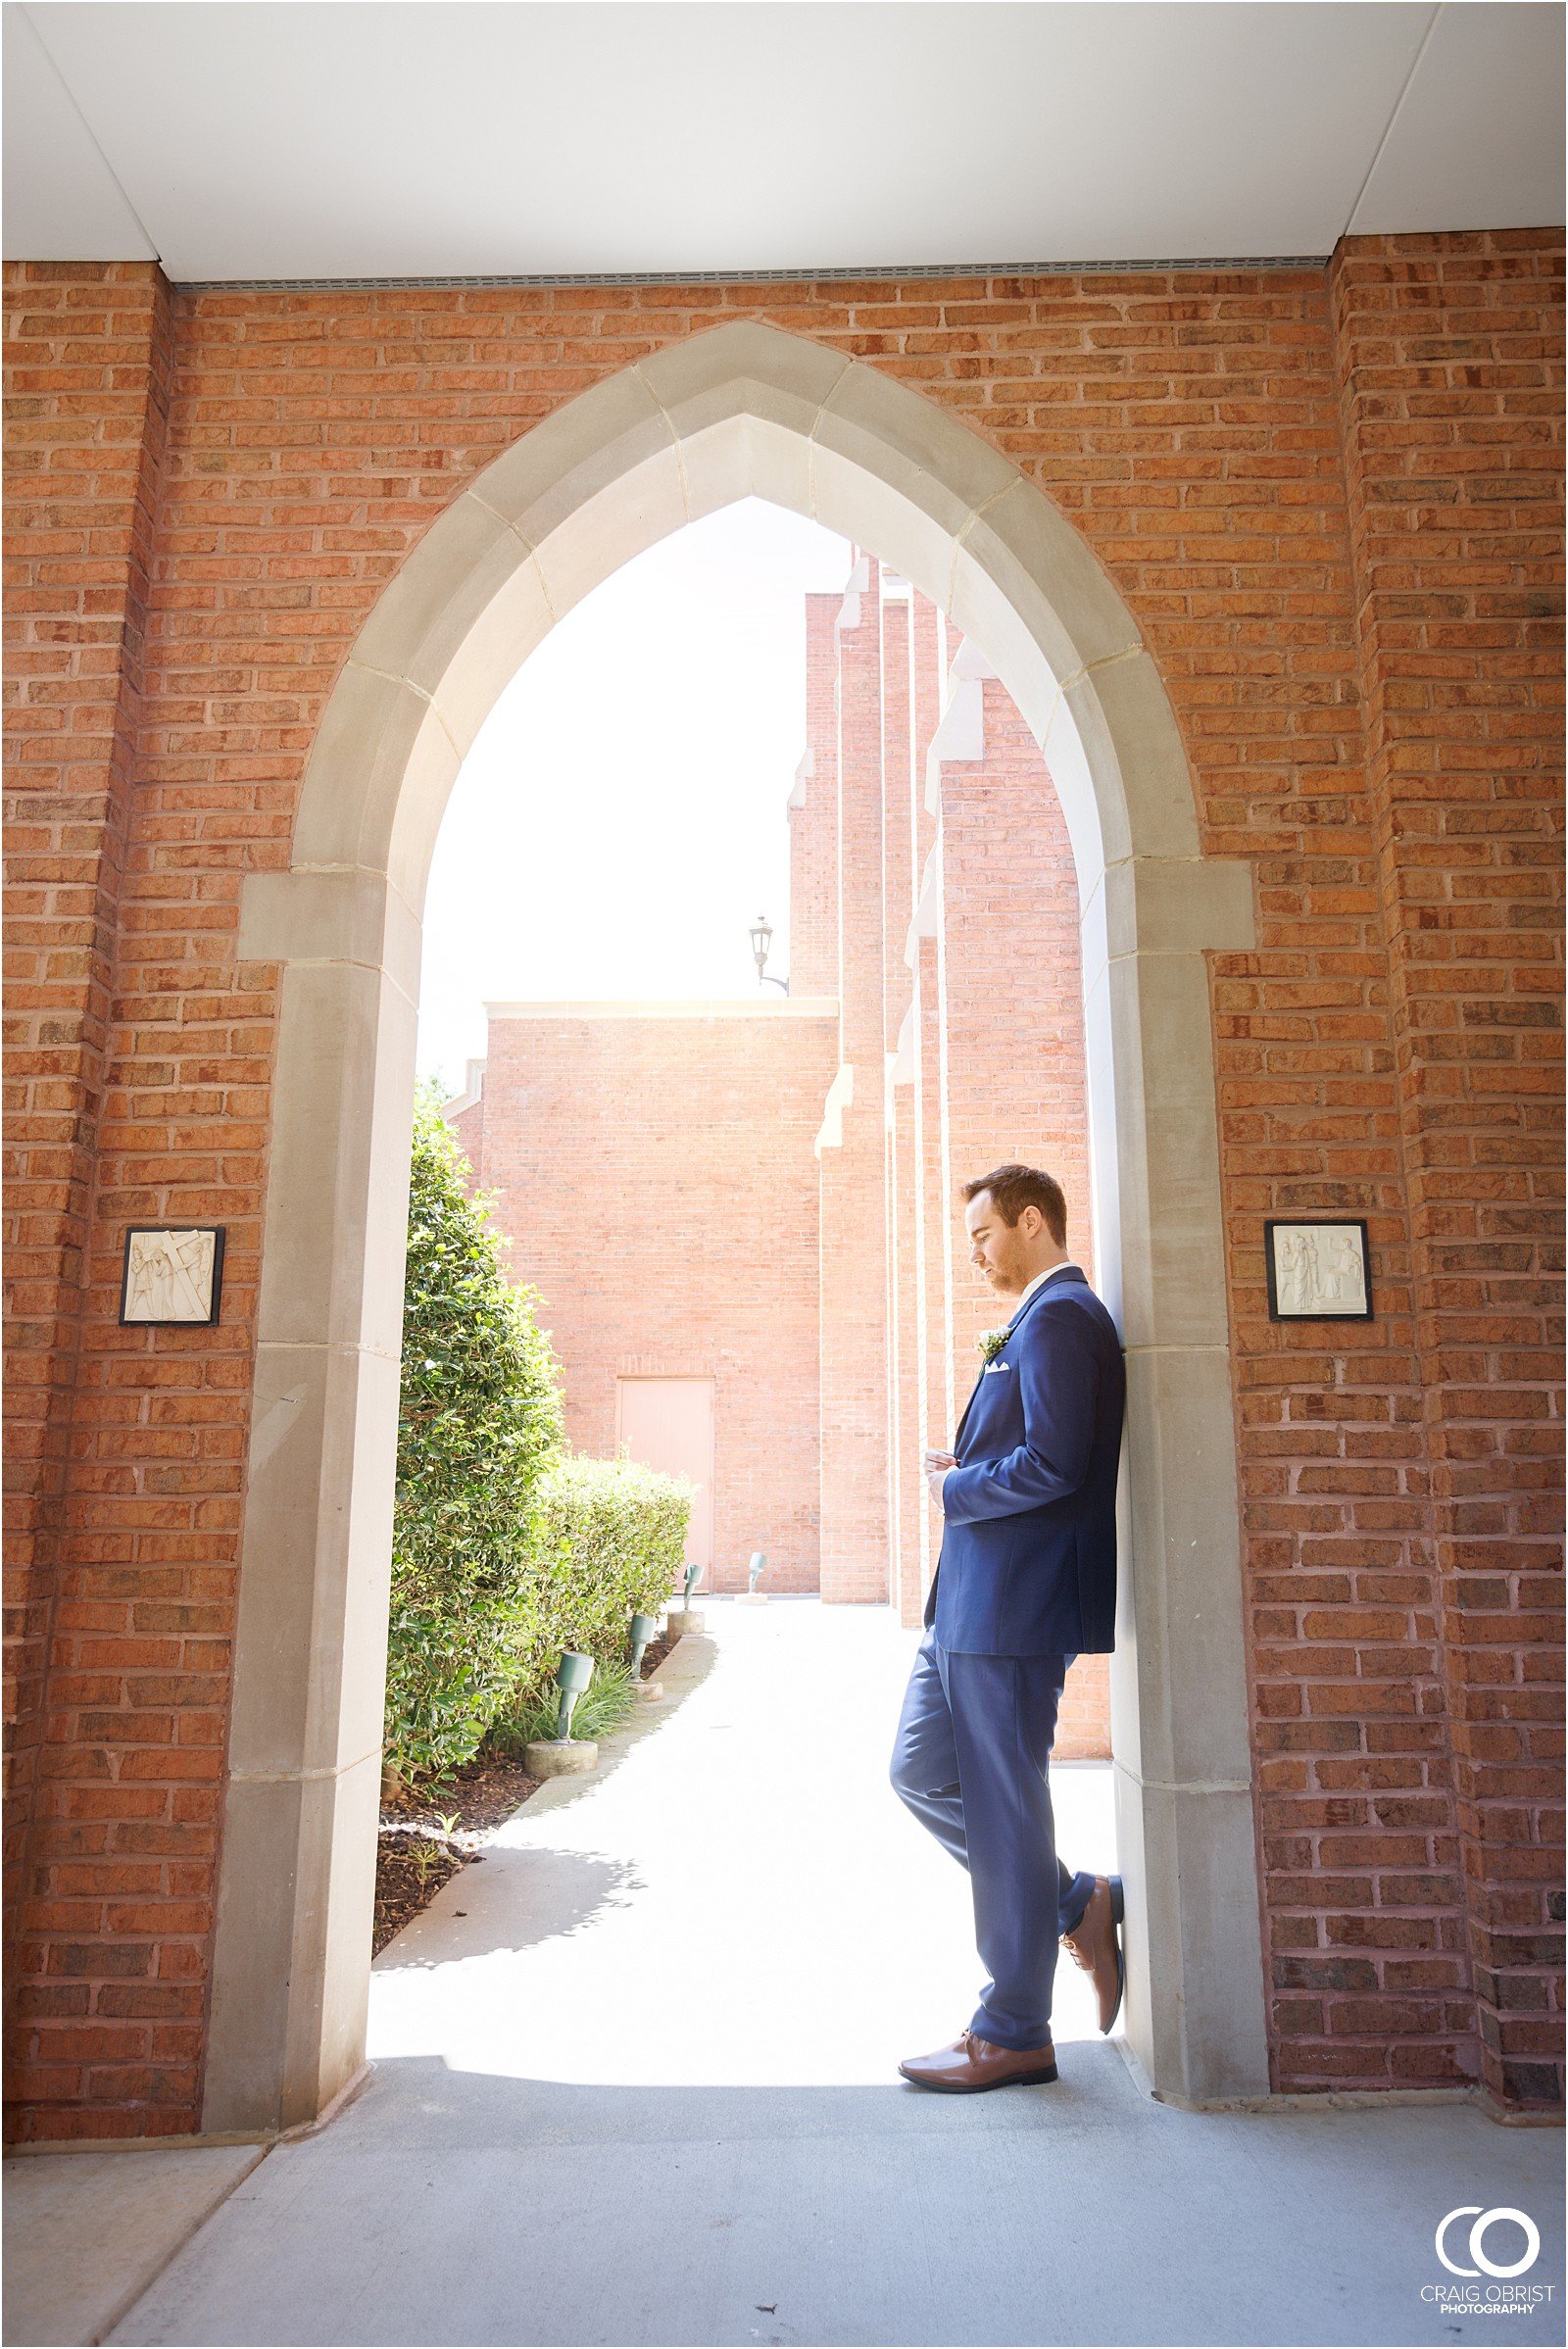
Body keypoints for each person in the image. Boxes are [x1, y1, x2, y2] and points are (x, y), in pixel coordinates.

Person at [890, 1162, 1127, 2091]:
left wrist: (955, 1485)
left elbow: (1059, 1464)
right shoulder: (1038, 1318)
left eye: (984, 1234)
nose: (977, 1253)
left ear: (1033, 1220)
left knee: (1002, 1800)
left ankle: (1015, 2027)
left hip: (1015, 1607)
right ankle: (1078, 1900)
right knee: (917, 1770)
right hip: (968, 1605)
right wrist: (974, 1459)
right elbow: (1026, 1449)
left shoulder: (1064, 1315)